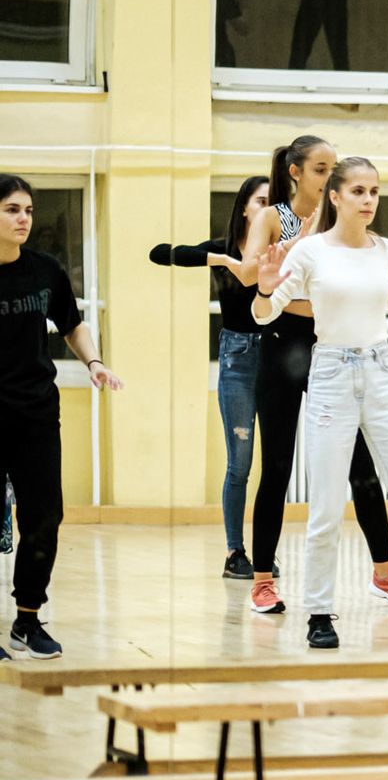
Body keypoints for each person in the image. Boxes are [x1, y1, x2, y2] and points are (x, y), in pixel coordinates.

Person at [253, 158, 388, 649]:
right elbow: (264, 314)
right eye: (357, 191)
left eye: (374, 191)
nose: (368, 200)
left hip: (380, 374)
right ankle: (319, 612)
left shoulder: (384, 249)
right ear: (335, 196)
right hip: (330, 374)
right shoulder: (310, 251)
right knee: (327, 508)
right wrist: (265, 288)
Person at [0, 175, 125, 661]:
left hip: (34, 412)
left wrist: (94, 361)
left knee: (44, 516)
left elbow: (71, 324)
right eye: (12, 209)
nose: (24, 219)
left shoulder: (45, 270)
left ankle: (27, 619)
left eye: (28, 210)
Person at [150, 176, 270, 577]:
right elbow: (159, 253)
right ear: (245, 208)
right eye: (261, 201)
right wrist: (222, 261)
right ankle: (235, 552)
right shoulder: (222, 249)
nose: (269, 208)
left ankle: (265, 552)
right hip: (238, 359)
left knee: (275, 464)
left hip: (275, 356)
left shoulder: (281, 251)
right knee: (240, 463)